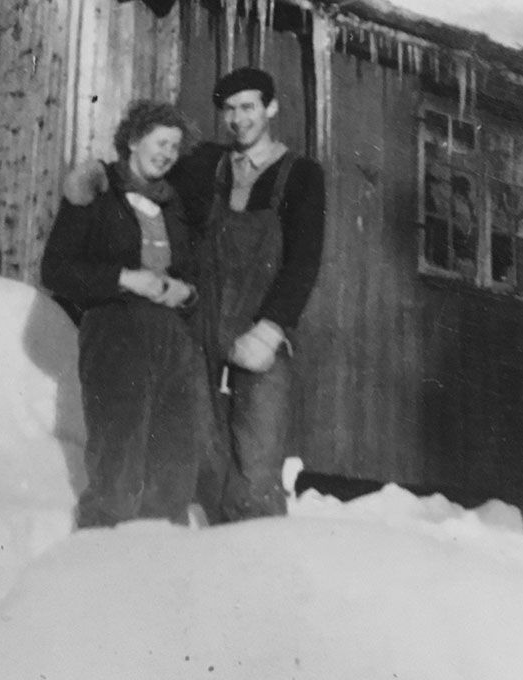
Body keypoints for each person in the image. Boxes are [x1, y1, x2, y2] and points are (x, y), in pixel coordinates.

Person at [171, 67, 326, 522]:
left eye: (249, 107)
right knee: (205, 462)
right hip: (203, 334)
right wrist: (100, 177)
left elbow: (305, 260)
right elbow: (148, 164)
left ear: (271, 108)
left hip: (261, 335)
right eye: (230, 110)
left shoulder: (300, 175)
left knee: (256, 467)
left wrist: (270, 329)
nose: (239, 120)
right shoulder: (208, 164)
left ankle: (262, 576)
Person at [41, 100, 205, 528]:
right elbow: (56, 270)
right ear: (133, 141)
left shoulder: (171, 204)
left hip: (170, 335)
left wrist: (182, 291)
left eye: (174, 146)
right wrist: (125, 279)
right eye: (160, 142)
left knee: (174, 450)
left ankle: (159, 550)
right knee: (120, 448)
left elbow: (189, 272)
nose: (167, 154)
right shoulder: (96, 189)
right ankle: (103, 551)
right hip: (115, 329)